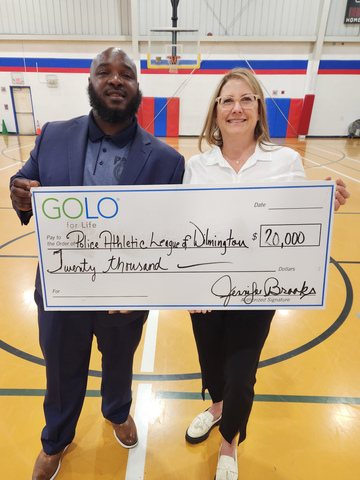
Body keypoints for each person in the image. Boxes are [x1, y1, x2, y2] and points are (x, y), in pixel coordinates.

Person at [10, 47, 185, 480]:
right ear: (90, 82)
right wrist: (19, 190)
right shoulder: (52, 136)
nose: (115, 79)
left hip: (123, 298)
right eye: (104, 72)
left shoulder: (166, 161)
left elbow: (169, 238)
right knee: (60, 368)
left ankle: (117, 412)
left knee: (120, 361)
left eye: (126, 74)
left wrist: (147, 291)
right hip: (61, 289)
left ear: (137, 88)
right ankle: (55, 439)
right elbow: (27, 179)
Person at [183, 68, 350, 480]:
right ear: (216, 112)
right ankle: (216, 407)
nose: (236, 108)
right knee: (211, 362)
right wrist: (187, 288)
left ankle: (229, 441)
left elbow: (296, 223)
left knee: (241, 374)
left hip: (260, 292)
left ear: (259, 108)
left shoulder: (286, 161)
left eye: (246, 99)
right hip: (206, 294)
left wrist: (322, 207)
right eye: (227, 100)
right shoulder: (197, 166)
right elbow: (182, 230)